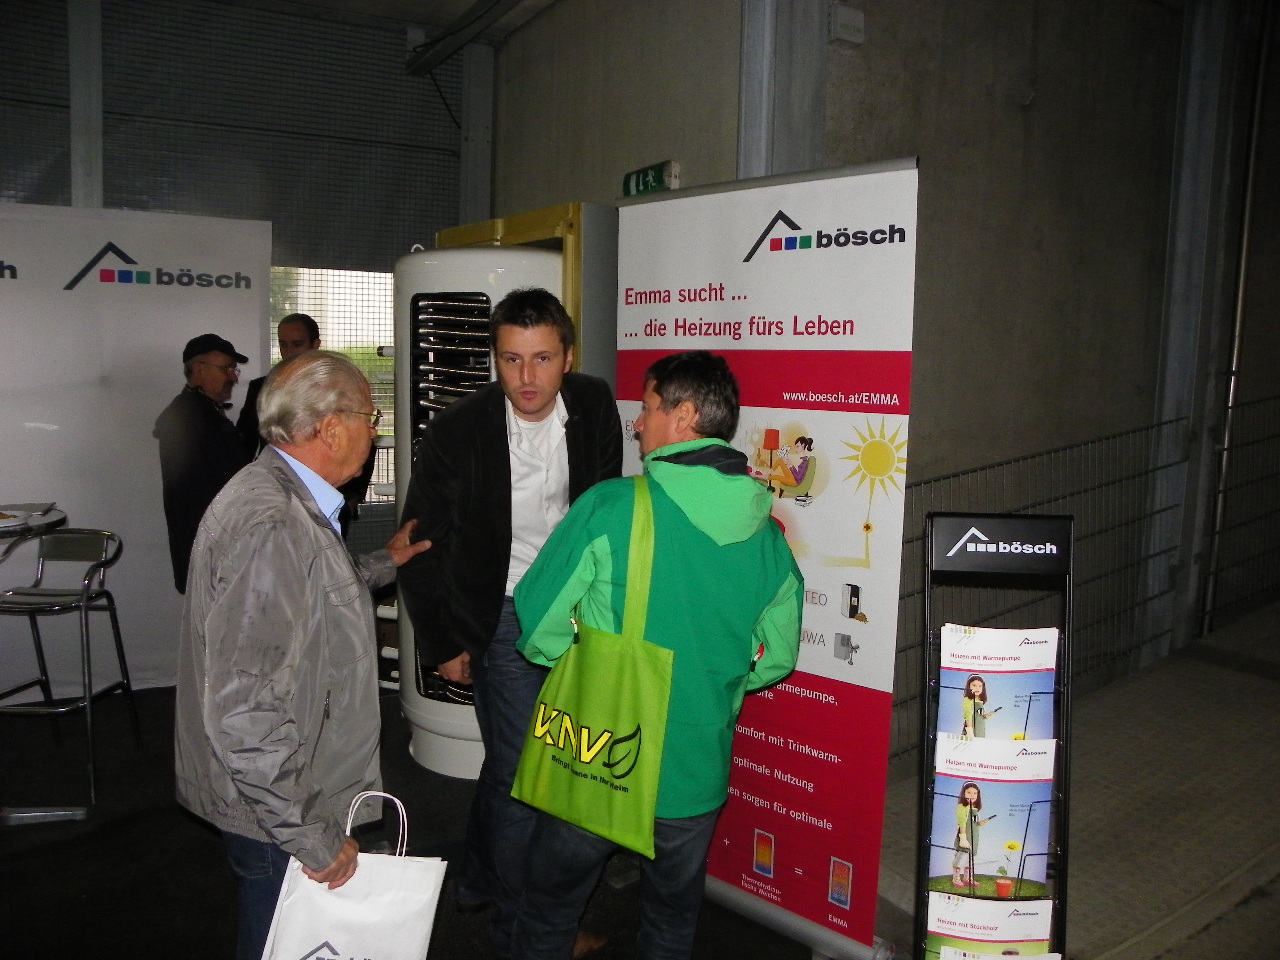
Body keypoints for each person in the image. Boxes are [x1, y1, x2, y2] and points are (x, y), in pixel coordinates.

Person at [510, 350, 803, 960]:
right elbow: (777, 657)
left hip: (603, 753)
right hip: (697, 767)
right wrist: (715, 682)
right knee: (671, 922)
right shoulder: (767, 534)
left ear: (685, 415)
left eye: (646, 409)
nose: (638, 424)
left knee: (550, 908)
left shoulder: (613, 506)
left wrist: (581, 658)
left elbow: (537, 621)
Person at [173, 350, 431, 960]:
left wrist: (386, 561)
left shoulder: (278, 494)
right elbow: (245, 712)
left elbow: (310, 590)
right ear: (332, 428)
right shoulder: (274, 522)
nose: (376, 431)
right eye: (371, 417)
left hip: (273, 800)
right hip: (278, 812)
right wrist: (312, 837)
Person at [398, 287, 623, 957]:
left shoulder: (593, 404)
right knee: (527, 773)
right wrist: (442, 642)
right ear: (494, 359)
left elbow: (604, 511)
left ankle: (480, 878)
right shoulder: (458, 430)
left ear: (568, 357)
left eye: (542, 358)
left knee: (528, 766)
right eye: (511, 359)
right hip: (499, 613)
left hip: (575, 608)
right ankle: (520, 932)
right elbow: (417, 543)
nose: (527, 377)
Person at [237, 312, 377, 537]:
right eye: (283, 344)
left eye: (297, 344)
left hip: (332, 496)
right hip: (280, 493)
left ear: (315, 345)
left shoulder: (339, 388)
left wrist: (352, 496)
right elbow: (244, 444)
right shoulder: (263, 389)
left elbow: (363, 436)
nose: (289, 351)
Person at [153, 333, 252, 593]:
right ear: (199, 369)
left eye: (234, 369)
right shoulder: (191, 418)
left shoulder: (199, 412)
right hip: (212, 552)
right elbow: (215, 487)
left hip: (212, 550)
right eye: (226, 368)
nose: (233, 377)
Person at [952, 782, 991, 888]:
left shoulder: (974, 808)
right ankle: (956, 878)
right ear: (963, 793)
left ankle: (967, 878)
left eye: (975, 793)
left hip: (973, 838)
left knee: (970, 860)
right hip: (965, 837)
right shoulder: (962, 807)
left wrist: (981, 823)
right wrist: (962, 838)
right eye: (969, 792)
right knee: (961, 857)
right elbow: (962, 823)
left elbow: (974, 823)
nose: (972, 795)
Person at [962, 674, 996, 738]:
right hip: (971, 730)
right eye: (974, 685)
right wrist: (969, 732)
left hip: (980, 729)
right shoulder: (968, 700)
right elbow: (968, 716)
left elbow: (978, 715)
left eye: (980, 686)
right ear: (969, 686)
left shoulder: (980, 700)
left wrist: (985, 716)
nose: (977, 688)